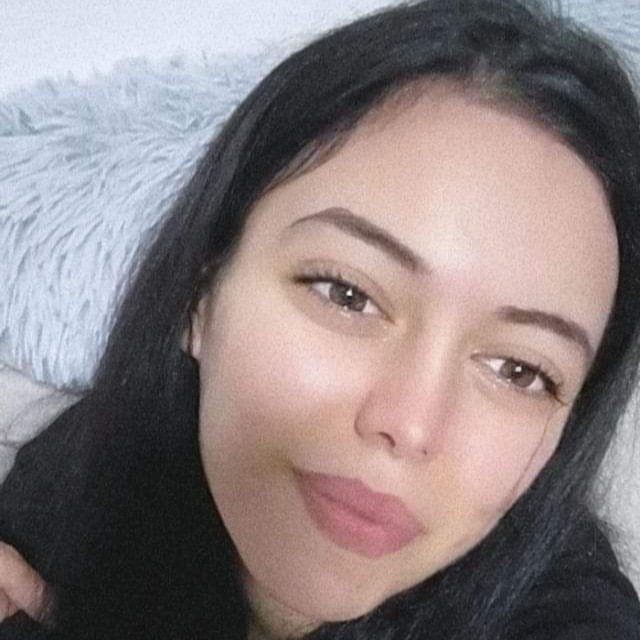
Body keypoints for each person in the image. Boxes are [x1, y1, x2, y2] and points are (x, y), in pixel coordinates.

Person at [1, 0, 640, 637]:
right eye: (346, 294)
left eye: (520, 371)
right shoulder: (78, 482)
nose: (410, 424)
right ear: (202, 292)